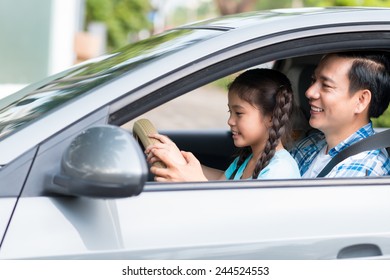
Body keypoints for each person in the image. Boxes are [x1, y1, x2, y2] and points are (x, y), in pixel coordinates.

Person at [145, 68, 301, 182]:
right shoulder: (248, 159)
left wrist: (192, 180)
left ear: (271, 117)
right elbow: (221, 182)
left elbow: (237, 220)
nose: (230, 121)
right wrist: (178, 160)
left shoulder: (279, 171)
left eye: (239, 113)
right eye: (230, 112)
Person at [290, 51, 390, 177]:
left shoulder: (365, 168)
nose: (309, 92)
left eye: (326, 85)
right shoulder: (312, 142)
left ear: (361, 100)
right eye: (313, 80)